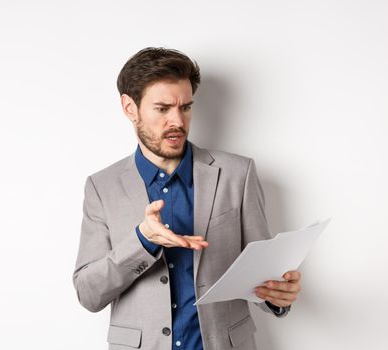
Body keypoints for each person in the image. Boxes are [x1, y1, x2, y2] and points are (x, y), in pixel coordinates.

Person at [73, 47, 302, 350]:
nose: (177, 122)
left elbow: (262, 274)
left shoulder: (238, 173)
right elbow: (88, 294)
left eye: (185, 108)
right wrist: (142, 241)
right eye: (162, 108)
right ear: (130, 108)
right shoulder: (102, 188)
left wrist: (277, 296)